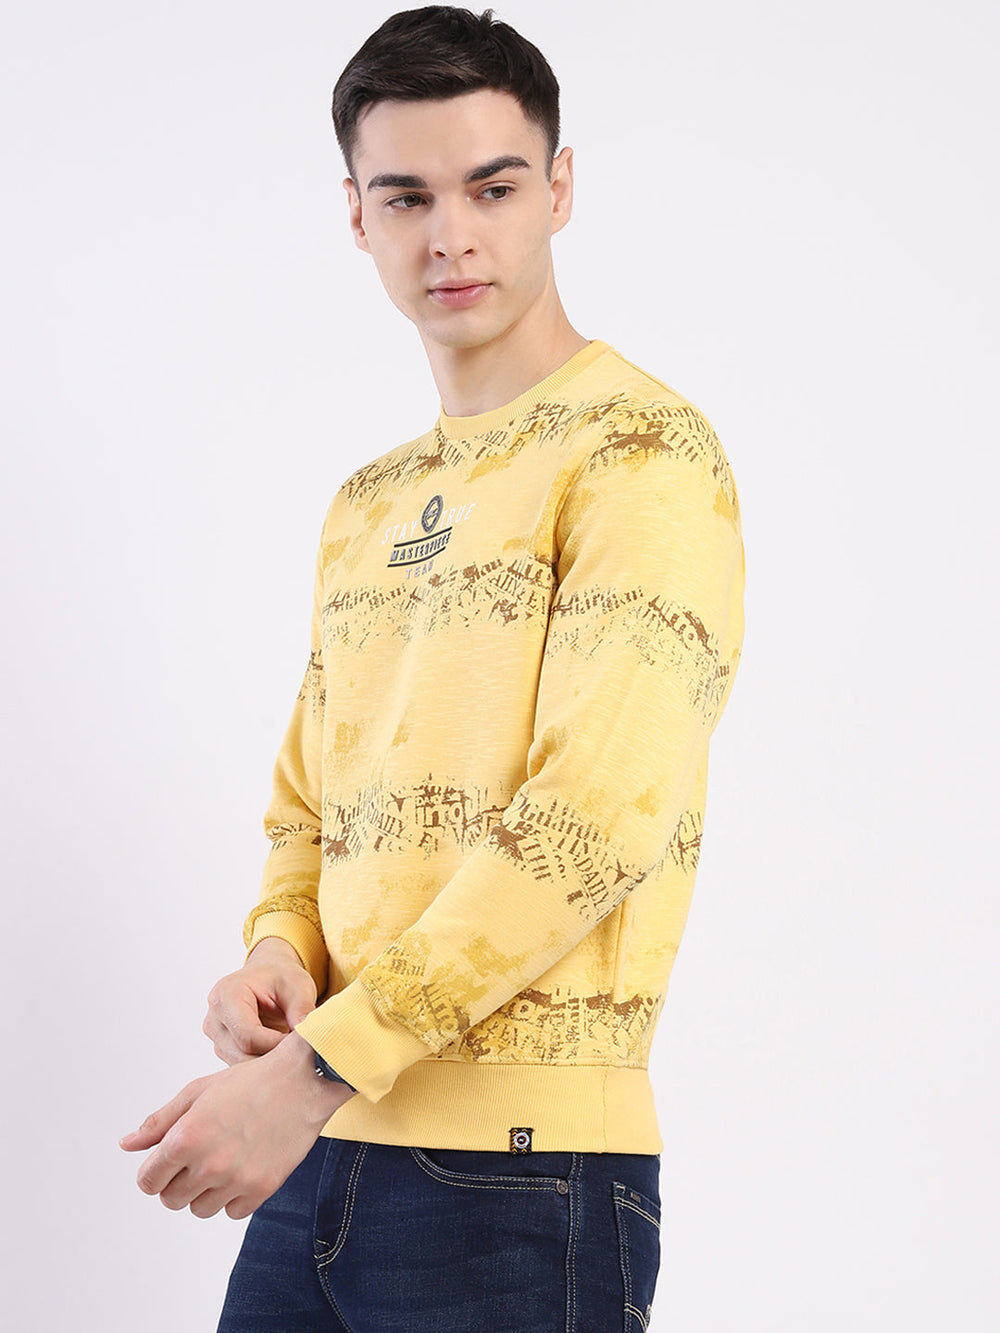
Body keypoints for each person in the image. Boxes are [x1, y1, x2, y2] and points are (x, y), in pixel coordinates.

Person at [120, 7, 745, 1329]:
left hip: (521, 1175)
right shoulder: (369, 503)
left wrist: (310, 1072)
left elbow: (593, 823)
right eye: (407, 196)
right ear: (357, 215)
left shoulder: (640, 455)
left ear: (559, 190)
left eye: (492, 188)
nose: (450, 235)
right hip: (323, 1148)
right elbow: (310, 809)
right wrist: (278, 954)